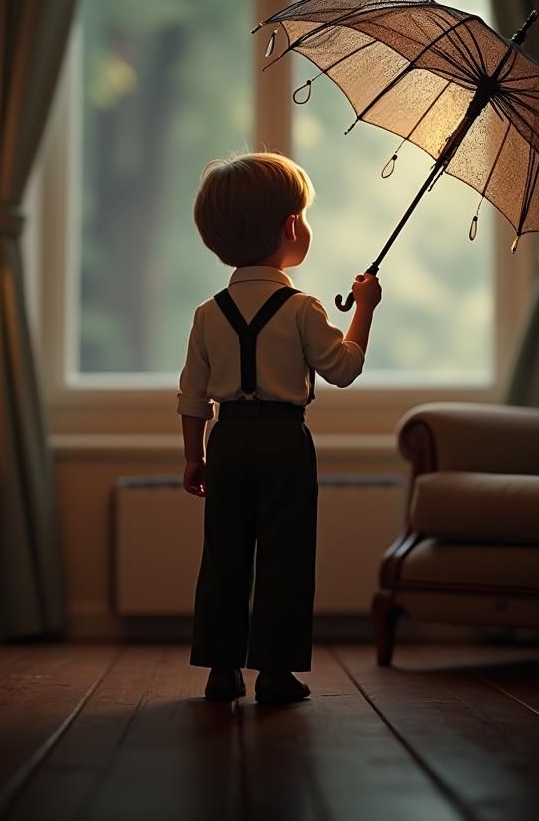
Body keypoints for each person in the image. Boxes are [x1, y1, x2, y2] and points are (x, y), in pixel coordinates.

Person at [178, 152, 382, 705]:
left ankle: (222, 669)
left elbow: (192, 395)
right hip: (284, 442)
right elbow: (342, 369)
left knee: (223, 555)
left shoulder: (206, 313)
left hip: (227, 440)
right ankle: (274, 672)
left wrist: (194, 455)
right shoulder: (302, 309)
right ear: (291, 226)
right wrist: (364, 308)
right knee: (285, 556)